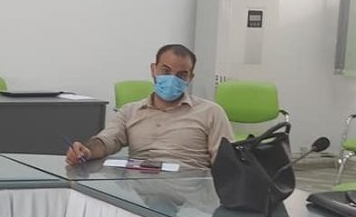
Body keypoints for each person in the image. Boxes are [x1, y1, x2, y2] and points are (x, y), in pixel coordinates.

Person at [65, 44, 234, 169]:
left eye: (181, 74)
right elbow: (106, 141)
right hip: (139, 190)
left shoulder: (211, 112)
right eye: (166, 71)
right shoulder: (130, 111)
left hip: (189, 190)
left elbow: (228, 164)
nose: (172, 78)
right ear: (154, 70)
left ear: (190, 77)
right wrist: (86, 151)